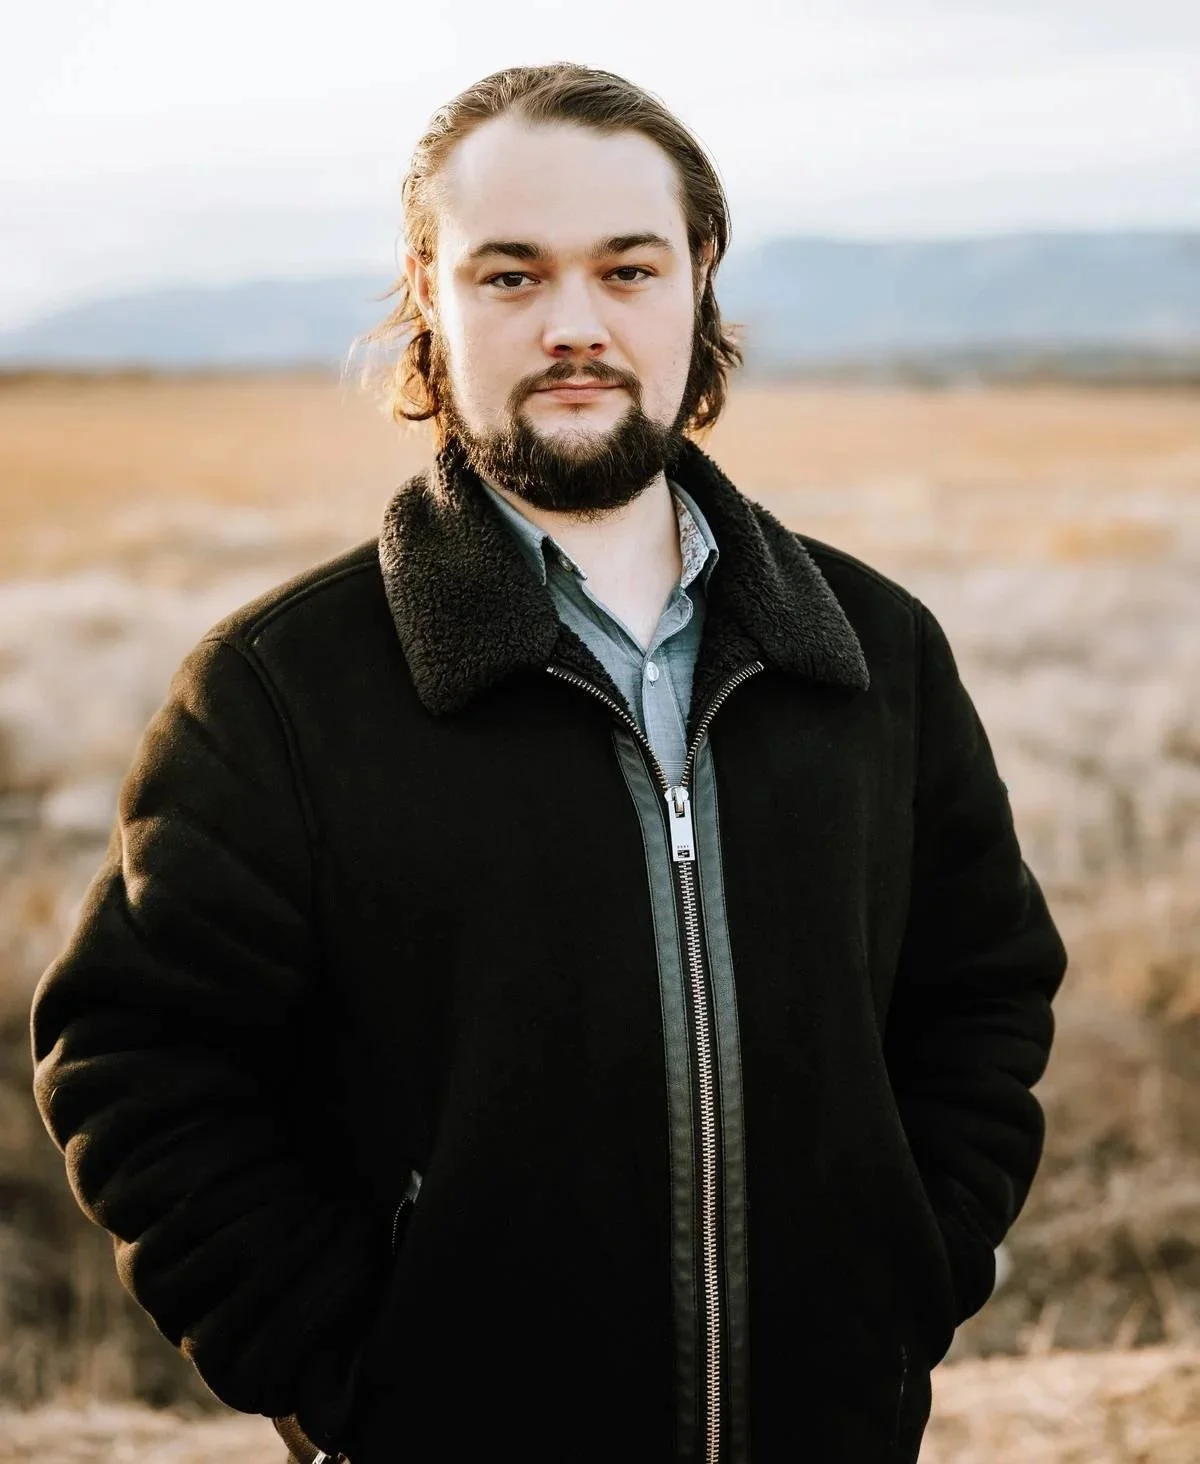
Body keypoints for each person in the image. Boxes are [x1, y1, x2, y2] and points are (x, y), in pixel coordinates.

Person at [29, 62, 1068, 1464]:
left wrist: (912, 1273)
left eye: (626, 270)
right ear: (430, 296)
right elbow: (133, 1061)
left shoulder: (874, 653)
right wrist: (353, 1373)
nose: (574, 326)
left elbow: (984, 994)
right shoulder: (280, 691)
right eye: (510, 277)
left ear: (698, 279)